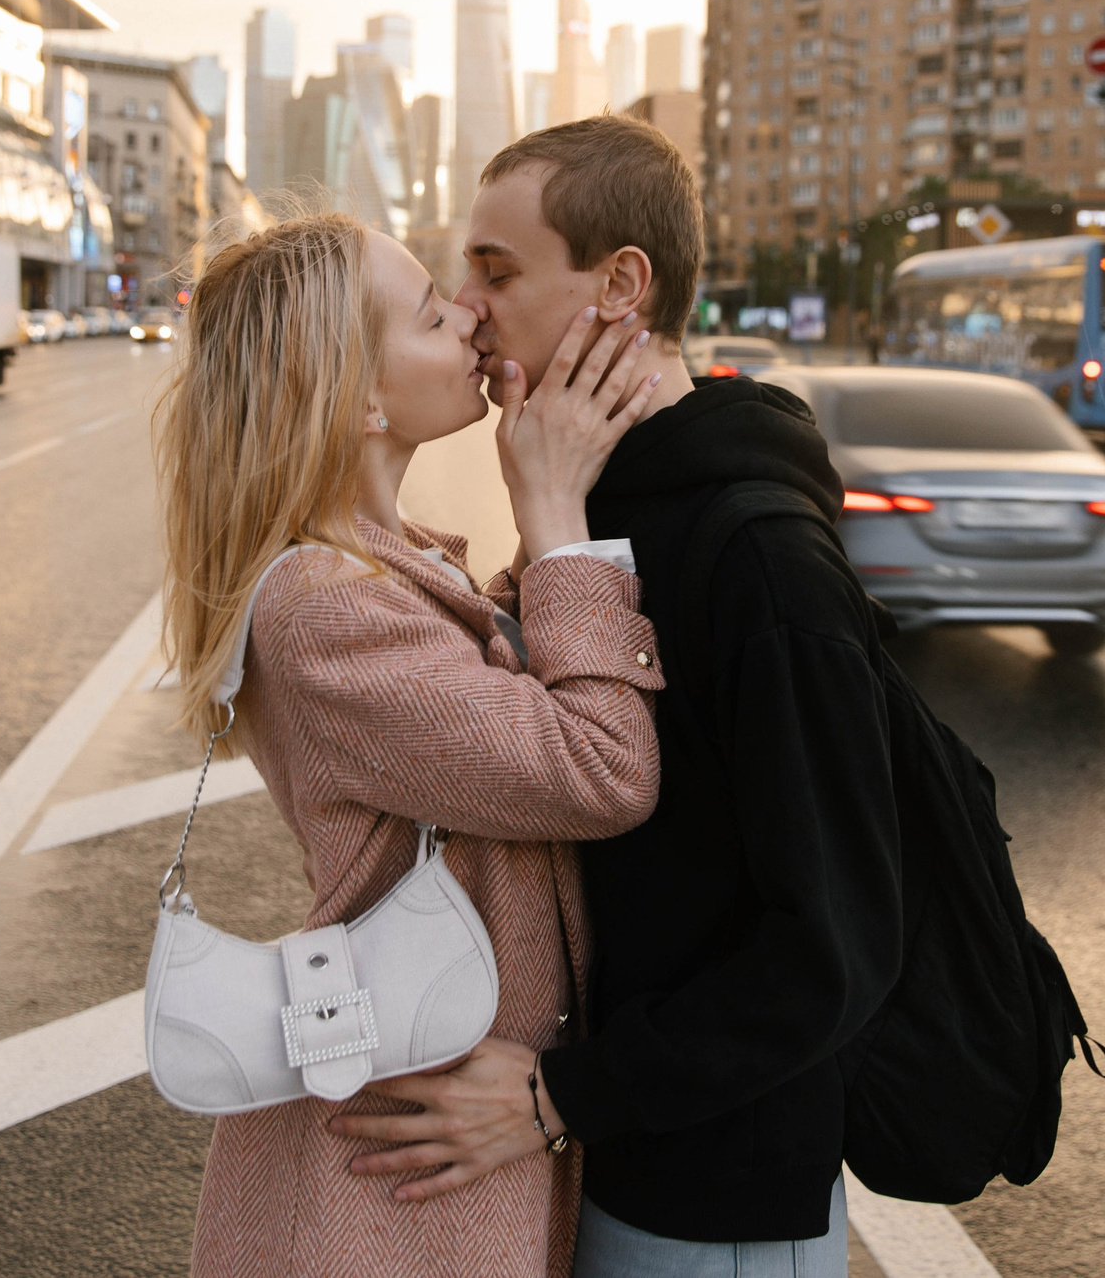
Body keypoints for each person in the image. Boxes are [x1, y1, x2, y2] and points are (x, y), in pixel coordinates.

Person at [349, 116, 902, 1275]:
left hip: (712, 1205)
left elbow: (836, 946)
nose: (469, 308)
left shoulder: (757, 554)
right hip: (612, 1164)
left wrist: (561, 1094)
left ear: (619, 287)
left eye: (497, 271)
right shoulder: (598, 504)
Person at [159, 212, 668, 1278]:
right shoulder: (326, 606)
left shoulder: (385, 569)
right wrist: (556, 518)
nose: (471, 316)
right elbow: (601, 769)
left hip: (435, 1134)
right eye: (435, 315)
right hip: (391, 1196)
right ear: (357, 397)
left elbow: (493, 693)